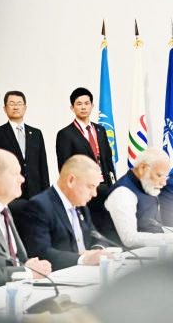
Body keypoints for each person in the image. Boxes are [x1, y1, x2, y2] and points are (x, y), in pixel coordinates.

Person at [17, 155, 113, 271]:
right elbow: (42, 252)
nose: (94, 194)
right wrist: (83, 259)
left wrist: (97, 251)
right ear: (71, 180)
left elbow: (95, 236)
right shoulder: (39, 206)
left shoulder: (81, 205)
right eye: (90, 186)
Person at [105, 148, 173, 248]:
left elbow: (156, 229)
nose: (164, 183)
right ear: (142, 168)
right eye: (159, 175)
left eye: (166, 177)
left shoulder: (146, 186)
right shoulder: (123, 192)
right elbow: (129, 239)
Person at [0, 149, 52, 291]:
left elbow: (14, 260)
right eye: (15, 174)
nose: (22, 179)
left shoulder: (4, 209)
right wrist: (26, 272)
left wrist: (30, 266)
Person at [56, 87, 116, 235]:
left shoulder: (100, 130)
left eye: (86, 103)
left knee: (108, 226)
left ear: (92, 106)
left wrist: (113, 184)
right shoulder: (65, 134)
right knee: (89, 230)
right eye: (79, 104)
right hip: (83, 190)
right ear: (72, 108)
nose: (83, 107)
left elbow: (108, 159)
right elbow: (65, 166)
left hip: (104, 186)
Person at [0, 91, 49, 203]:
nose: (15, 107)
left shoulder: (36, 133)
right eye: (11, 103)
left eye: (19, 103)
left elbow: (43, 165)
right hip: (8, 193)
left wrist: (46, 194)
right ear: (5, 108)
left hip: (35, 193)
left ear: (25, 108)